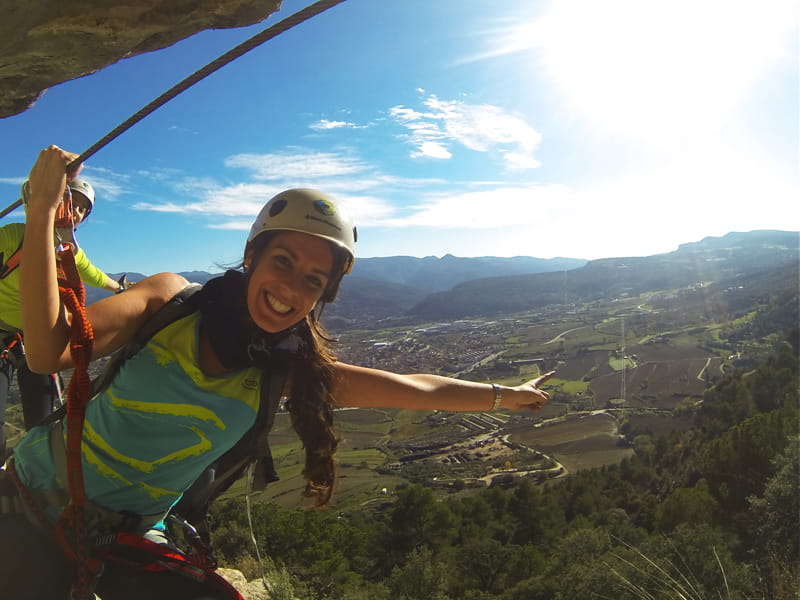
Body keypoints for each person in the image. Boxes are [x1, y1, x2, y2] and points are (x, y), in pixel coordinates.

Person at [0, 145, 554, 599]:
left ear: (324, 294)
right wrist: (44, 213)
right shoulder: (170, 304)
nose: (292, 288)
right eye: (283, 261)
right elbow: (47, 355)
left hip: (125, 533)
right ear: (252, 256)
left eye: (314, 280)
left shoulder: (287, 370)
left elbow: (413, 389)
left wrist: (504, 395)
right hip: (33, 497)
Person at [0, 175, 128, 462]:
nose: (77, 212)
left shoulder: (68, 253)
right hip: (5, 335)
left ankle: (33, 475)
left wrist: (120, 289)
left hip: (35, 338)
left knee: (43, 421)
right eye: (73, 202)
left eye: (83, 209)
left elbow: (93, 274)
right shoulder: (13, 236)